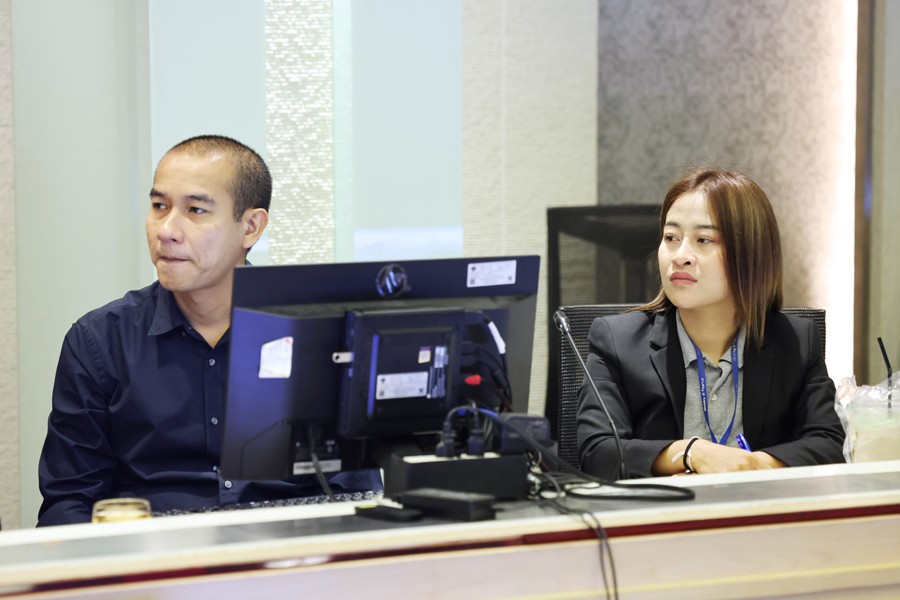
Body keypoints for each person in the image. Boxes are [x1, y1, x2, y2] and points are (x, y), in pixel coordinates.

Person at [38, 135, 378, 526]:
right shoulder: (100, 341)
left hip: (288, 552)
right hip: (154, 554)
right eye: (159, 206)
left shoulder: (318, 336)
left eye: (196, 210)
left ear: (250, 227)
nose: (166, 230)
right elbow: (68, 502)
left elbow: (358, 496)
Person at [576, 168, 845, 481]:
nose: (680, 256)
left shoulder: (796, 341)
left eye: (703, 240)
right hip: (664, 510)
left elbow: (830, 445)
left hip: (761, 508)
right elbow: (598, 453)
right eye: (671, 238)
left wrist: (750, 466)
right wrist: (691, 453)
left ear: (751, 254)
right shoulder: (617, 342)